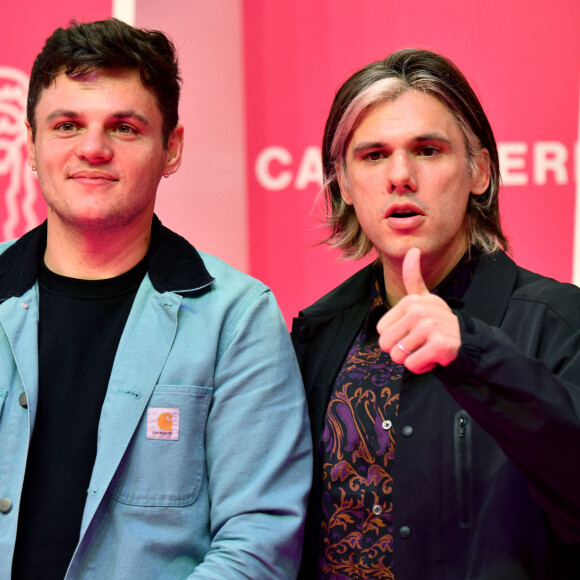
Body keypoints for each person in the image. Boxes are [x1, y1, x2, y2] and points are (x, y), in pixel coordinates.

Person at [0, 18, 312, 579]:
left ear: (171, 149)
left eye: (123, 128)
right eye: (67, 125)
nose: (92, 150)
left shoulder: (236, 320)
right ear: (33, 144)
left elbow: (258, 543)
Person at [292, 48, 580, 579]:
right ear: (345, 186)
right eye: (373, 155)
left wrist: (472, 351)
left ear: (479, 172)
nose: (400, 176)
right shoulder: (317, 333)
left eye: (427, 150)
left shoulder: (558, 320)